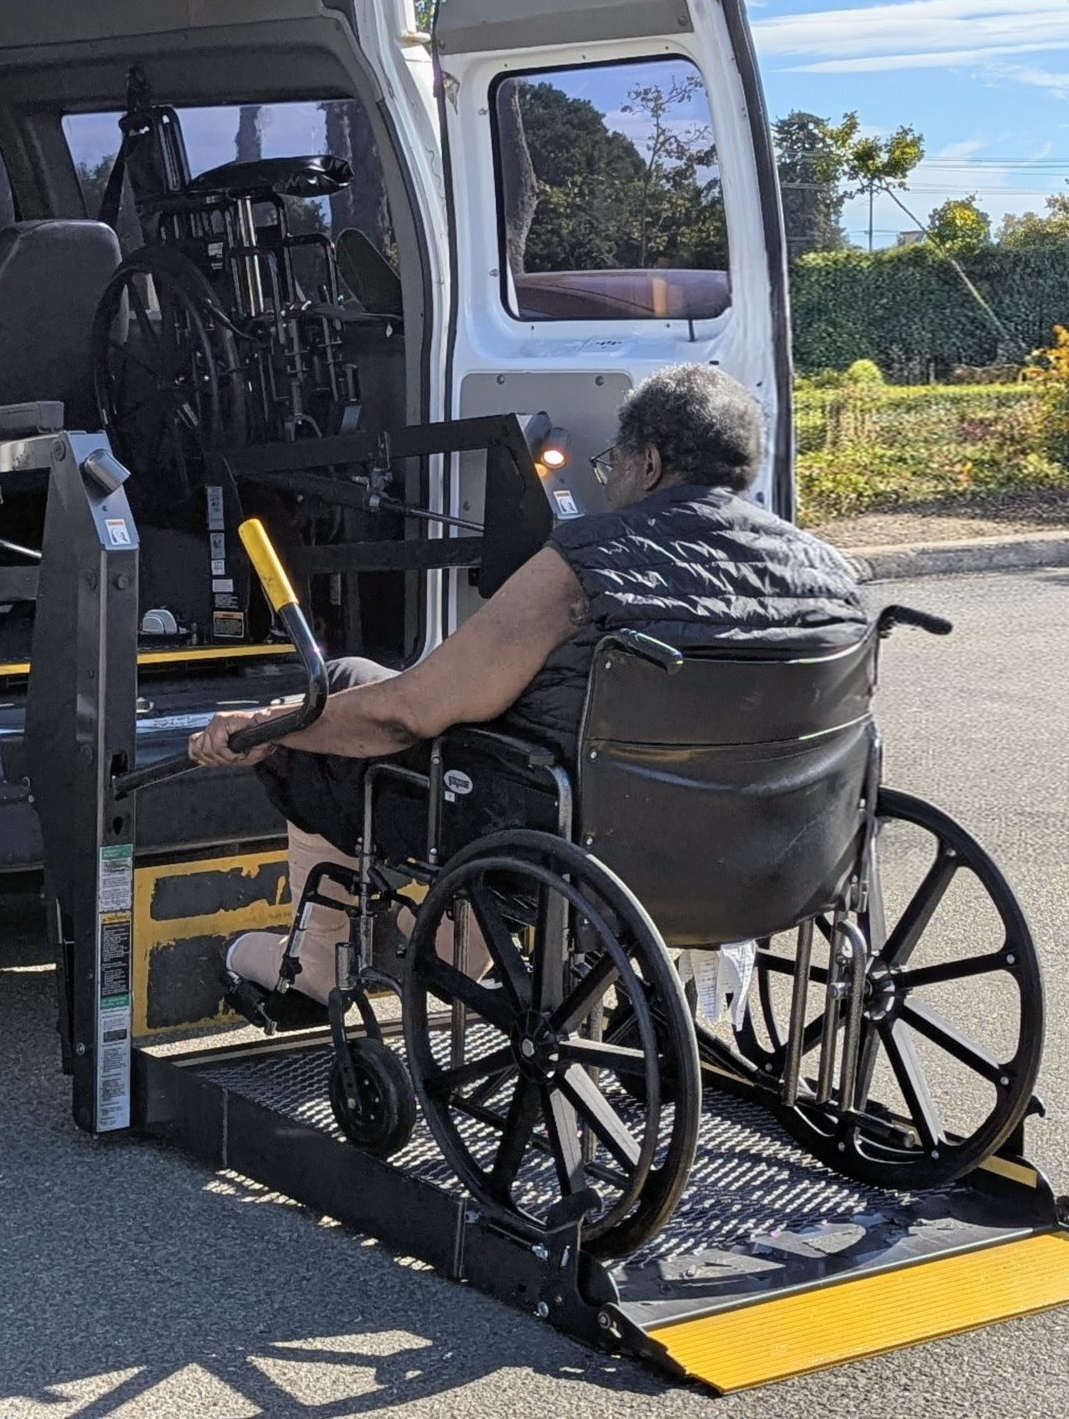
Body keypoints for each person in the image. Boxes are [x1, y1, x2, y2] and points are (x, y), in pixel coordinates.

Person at [190, 364, 870, 1010]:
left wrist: (271, 724)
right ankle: (453, 951)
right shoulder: (831, 576)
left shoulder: (592, 556)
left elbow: (409, 714)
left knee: (341, 698)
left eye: (615, 465)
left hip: (591, 846)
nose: (610, 483)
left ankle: (316, 964)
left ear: (651, 464)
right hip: (775, 855)